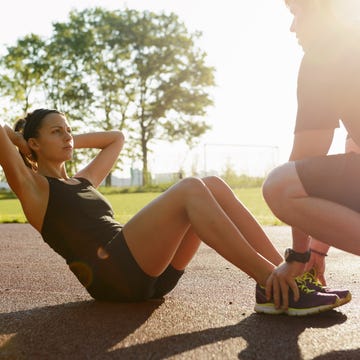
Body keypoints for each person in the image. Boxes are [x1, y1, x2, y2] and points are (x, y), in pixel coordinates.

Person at [0, 109, 343, 315]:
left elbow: (116, 138)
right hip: (116, 276)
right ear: (32, 143)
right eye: (56, 132)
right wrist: (18, 140)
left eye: (69, 130)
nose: (68, 137)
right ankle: (271, 283)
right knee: (191, 188)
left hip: (151, 275)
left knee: (213, 184)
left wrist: (65, 137)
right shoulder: (35, 189)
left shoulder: (84, 180)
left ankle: (290, 278)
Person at [262, 0, 360, 310]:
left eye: (295, 12)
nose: (292, 27)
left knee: (278, 186)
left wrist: (300, 256)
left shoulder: (324, 55)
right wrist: (318, 251)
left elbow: (303, 160)